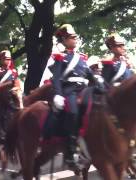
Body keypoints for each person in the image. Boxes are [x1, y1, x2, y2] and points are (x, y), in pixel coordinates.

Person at [51, 24, 96, 168]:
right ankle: (71, 152)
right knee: (73, 111)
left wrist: (99, 81)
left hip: (84, 90)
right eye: (72, 38)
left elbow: (89, 75)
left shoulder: (82, 57)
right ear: (64, 40)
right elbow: (57, 78)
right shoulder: (60, 57)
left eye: (75, 37)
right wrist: (58, 94)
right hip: (70, 91)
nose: (75, 39)